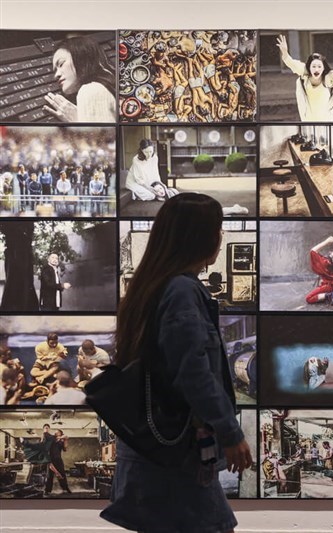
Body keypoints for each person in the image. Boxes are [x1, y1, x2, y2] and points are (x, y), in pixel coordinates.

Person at [101, 193, 253, 533]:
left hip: (152, 452)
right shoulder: (182, 291)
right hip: (178, 458)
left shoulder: (148, 288)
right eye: (218, 229)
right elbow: (193, 372)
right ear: (199, 238)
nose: (221, 237)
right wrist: (230, 433)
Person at [43, 35, 116, 122]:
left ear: (81, 58)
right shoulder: (105, 86)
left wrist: (75, 121)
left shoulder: (90, 90)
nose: (56, 75)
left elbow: (103, 135)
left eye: (61, 64)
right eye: (55, 70)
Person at [44, 429, 72, 495]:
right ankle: (47, 490)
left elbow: (65, 448)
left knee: (62, 474)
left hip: (58, 460)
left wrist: (65, 440)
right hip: (51, 459)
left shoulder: (60, 442)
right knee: (49, 476)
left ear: (60, 433)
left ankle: (65, 488)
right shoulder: (52, 439)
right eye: (55, 432)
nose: (55, 432)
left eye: (57, 432)